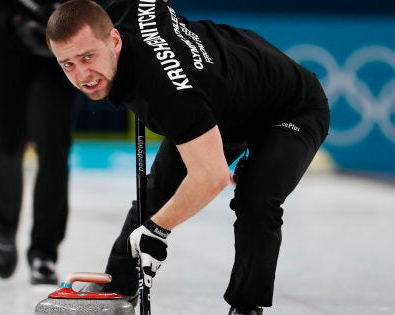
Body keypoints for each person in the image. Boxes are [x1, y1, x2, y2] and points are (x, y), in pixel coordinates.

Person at [45, 0, 330, 313]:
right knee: (156, 192)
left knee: (256, 199)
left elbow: (212, 176)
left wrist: (157, 232)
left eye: (88, 56)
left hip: (291, 107)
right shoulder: (123, 7)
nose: (82, 74)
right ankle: (118, 286)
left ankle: (247, 308)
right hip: (223, 101)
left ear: (114, 40)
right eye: (68, 64)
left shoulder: (168, 93)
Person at [0, 0, 79, 285]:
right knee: (8, 141)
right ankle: (5, 232)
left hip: (62, 40)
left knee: (55, 148)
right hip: (9, 40)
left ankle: (44, 253)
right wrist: (13, 18)